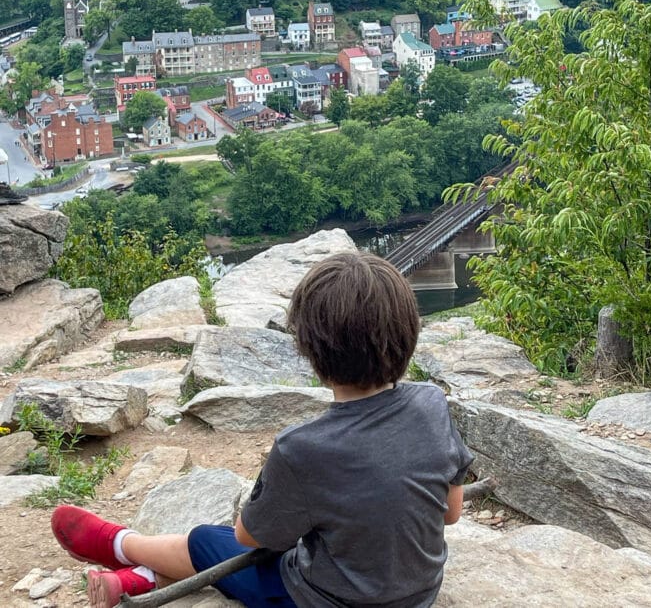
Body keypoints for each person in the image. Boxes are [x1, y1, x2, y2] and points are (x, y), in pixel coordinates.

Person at [51, 252, 473, 608]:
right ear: (409, 332)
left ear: (309, 350)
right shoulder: (431, 403)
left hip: (324, 599)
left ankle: (119, 544)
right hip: (419, 592)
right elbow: (450, 513)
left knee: (205, 540)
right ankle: (138, 579)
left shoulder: (303, 449)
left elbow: (250, 536)